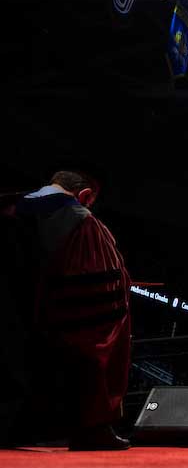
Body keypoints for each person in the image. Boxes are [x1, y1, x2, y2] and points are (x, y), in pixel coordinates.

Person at [11, 171, 132, 450]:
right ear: (86, 195)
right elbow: (99, 298)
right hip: (59, 328)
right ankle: (92, 429)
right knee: (92, 341)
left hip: (16, 324)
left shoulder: (11, 207)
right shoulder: (82, 221)